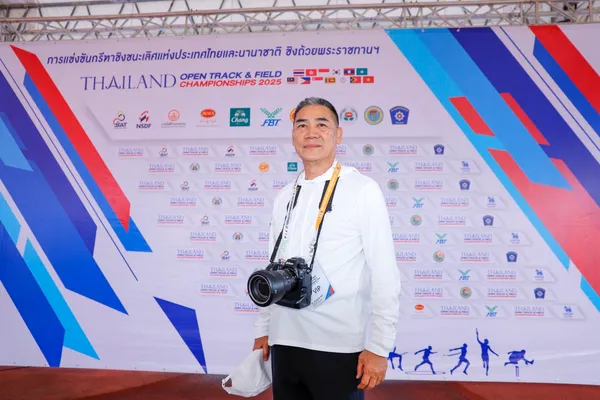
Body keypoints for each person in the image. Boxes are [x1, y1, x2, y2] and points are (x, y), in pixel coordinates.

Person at [252, 97, 401, 400]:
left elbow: (384, 271)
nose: (311, 133)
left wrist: (379, 346)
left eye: (322, 125)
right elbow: (273, 267)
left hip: (337, 346)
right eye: (302, 125)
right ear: (293, 135)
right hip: (284, 341)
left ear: (338, 134)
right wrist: (263, 329)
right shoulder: (285, 196)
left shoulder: (362, 190)